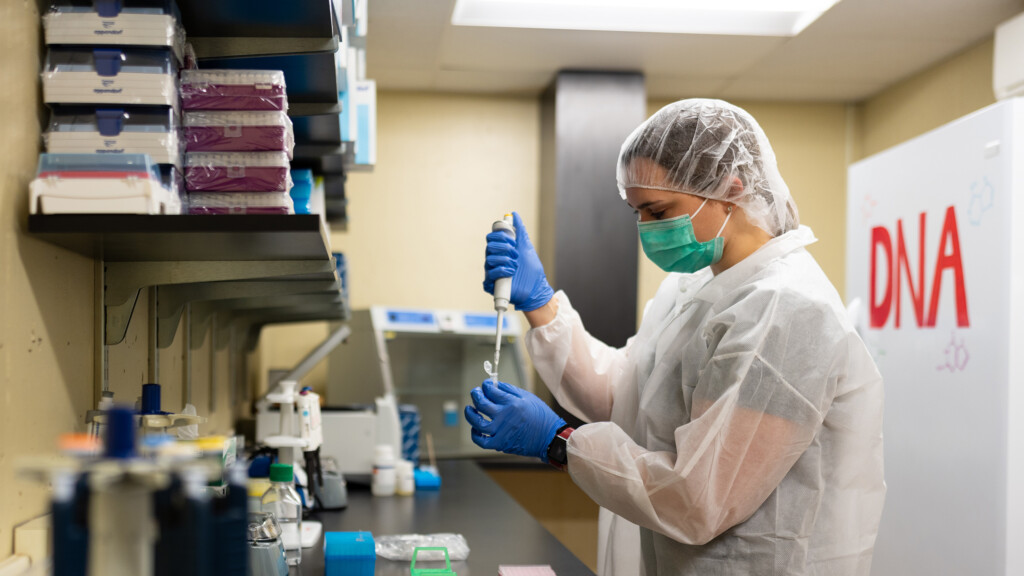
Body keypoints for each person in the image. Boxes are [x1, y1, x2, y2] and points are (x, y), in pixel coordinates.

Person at [464, 99, 885, 576]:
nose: (645, 228)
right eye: (637, 211)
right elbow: (624, 398)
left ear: (730, 188)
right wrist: (540, 304)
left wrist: (558, 441)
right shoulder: (695, 289)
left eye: (658, 209)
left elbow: (698, 497)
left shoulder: (785, 311)